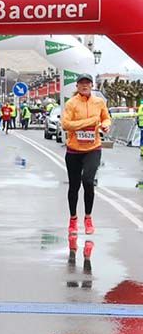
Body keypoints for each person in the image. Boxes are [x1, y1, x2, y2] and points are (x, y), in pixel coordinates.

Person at [61, 74, 111, 235]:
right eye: (81, 83)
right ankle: (73, 219)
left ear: (91, 85)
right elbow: (65, 124)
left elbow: (106, 118)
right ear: (77, 86)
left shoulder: (99, 102)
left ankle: (88, 218)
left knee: (88, 180)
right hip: (74, 150)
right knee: (74, 186)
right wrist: (89, 122)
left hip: (93, 148)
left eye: (87, 83)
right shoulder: (71, 103)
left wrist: (105, 125)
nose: (84, 86)